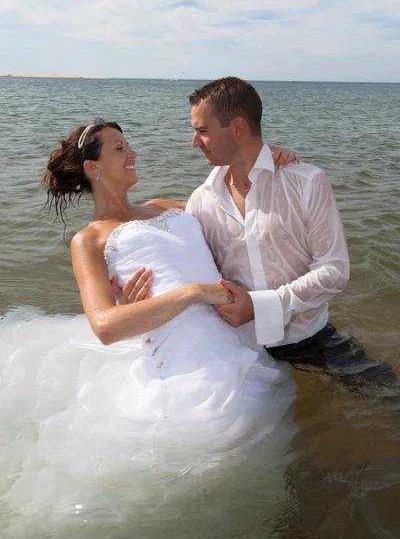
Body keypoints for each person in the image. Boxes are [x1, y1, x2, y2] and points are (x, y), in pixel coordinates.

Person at [0, 119, 298, 535]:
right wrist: (192, 292)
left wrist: (262, 161)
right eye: (119, 149)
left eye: (129, 145)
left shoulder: (162, 205)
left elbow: (234, 204)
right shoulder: (89, 241)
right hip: (186, 358)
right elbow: (105, 326)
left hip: (237, 328)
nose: (133, 153)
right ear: (93, 168)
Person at [123, 77, 397, 397]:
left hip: (309, 340)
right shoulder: (202, 201)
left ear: (238, 127)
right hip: (235, 350)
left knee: (386, 398)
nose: (194, 142)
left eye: (203, 130)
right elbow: (194, 273)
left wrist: (259, 307)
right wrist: (137, 299)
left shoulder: (306, 182)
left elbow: (335, 272)